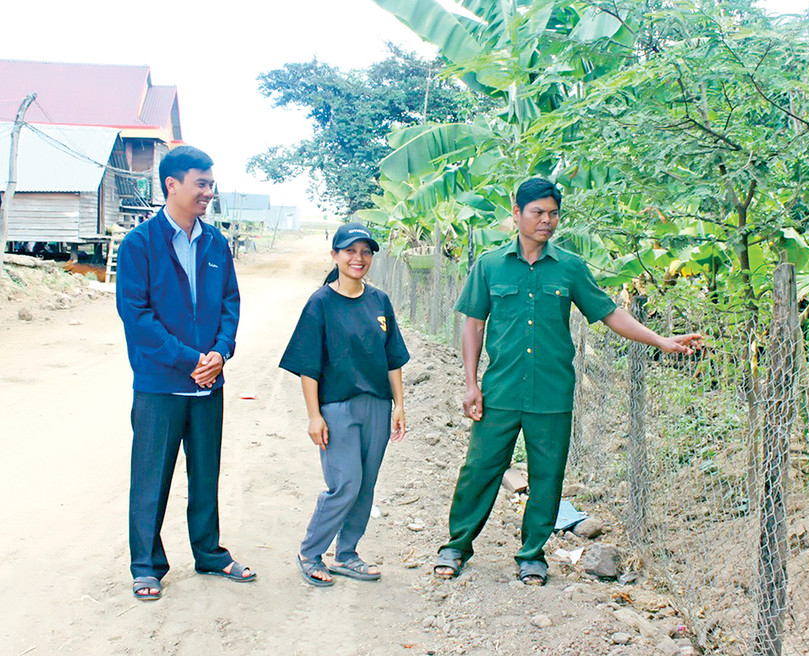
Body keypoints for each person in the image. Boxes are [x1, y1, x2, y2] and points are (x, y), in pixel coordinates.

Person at [434, 178, 702, 585]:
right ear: (517, 213)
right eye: (538, 212)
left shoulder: (570, 267)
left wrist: (661, 340)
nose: (547, 220)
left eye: (553, 213)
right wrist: (471, 384)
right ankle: (456, 546)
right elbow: (473, 325)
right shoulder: (489, 265)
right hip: (500, 389)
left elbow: (610, 313)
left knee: (547, 475)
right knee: (480, 468)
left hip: (552, 391)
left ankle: (531, 555)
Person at [116, 145, 255, 601]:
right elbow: (137, 317)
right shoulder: (139, 245)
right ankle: (146, 565)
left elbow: (230, 303)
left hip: (209, 383)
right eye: (202, 183)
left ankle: (209, 553)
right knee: (151, 478)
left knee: (206, 474)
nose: (209, 192)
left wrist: (220, 352)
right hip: (160, 385)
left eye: (211, 184)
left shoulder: (215, 243)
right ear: (172, 185)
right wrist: (189, 359)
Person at [280, 222, 409, 587]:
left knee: (365, 485)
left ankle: (347, 554)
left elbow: (393, 358)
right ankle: (310, 551)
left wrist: (399, 405)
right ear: (335, 255)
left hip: (377, 406)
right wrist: (314, 416)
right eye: (350, 251)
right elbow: (308, 366)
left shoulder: (379, 301)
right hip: (337, 408)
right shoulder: (320, 303)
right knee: (346, 483)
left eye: (365, 252)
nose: (358, 258)